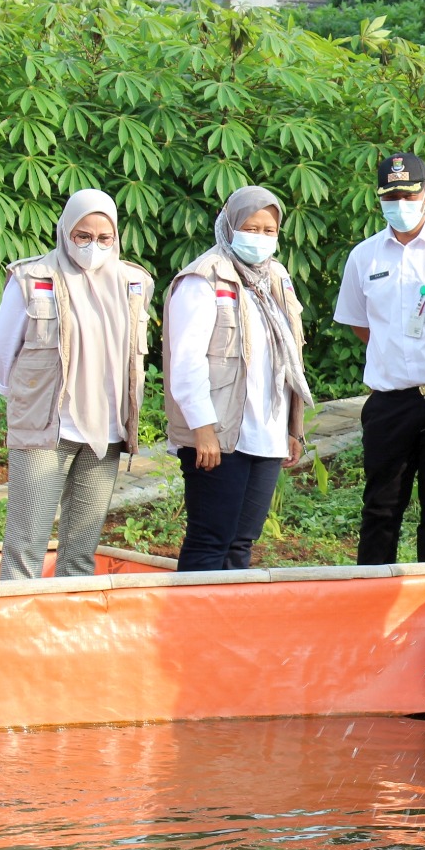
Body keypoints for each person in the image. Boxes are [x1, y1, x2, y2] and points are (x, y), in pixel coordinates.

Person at [0, 189, 153, 580]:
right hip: (47, 427)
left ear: (116, 237)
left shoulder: (134, 282)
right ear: (65, 232)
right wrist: (26, 399)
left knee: (81, 553)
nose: (94, 246)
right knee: (26, 548)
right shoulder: (33, 278)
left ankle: (64, 635)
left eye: (104, 238)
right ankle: (13, 632)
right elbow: (1, 349)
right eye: (83, 236)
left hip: (106, 432)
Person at [334, 152, 425, 564]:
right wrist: (393, 355)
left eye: (408, 194)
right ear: (379, 199)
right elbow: (362, 325)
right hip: (388, 402)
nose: (400, 204)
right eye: (390, 196)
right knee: (380, 509)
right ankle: (370, 604)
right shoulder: (365, 256)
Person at [164, 186, 313, 572]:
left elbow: (289, 359)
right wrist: (203, 428)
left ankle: (226, 627)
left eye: (269, 230)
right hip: (221, 436)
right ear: (228, 225)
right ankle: (193, 629)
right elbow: (186, 361)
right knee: (210, 539)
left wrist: (292, 431)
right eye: (250, 227)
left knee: (241, 543)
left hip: (266, 433)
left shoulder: (275, 278)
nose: (260, 237)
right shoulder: (204, 278)